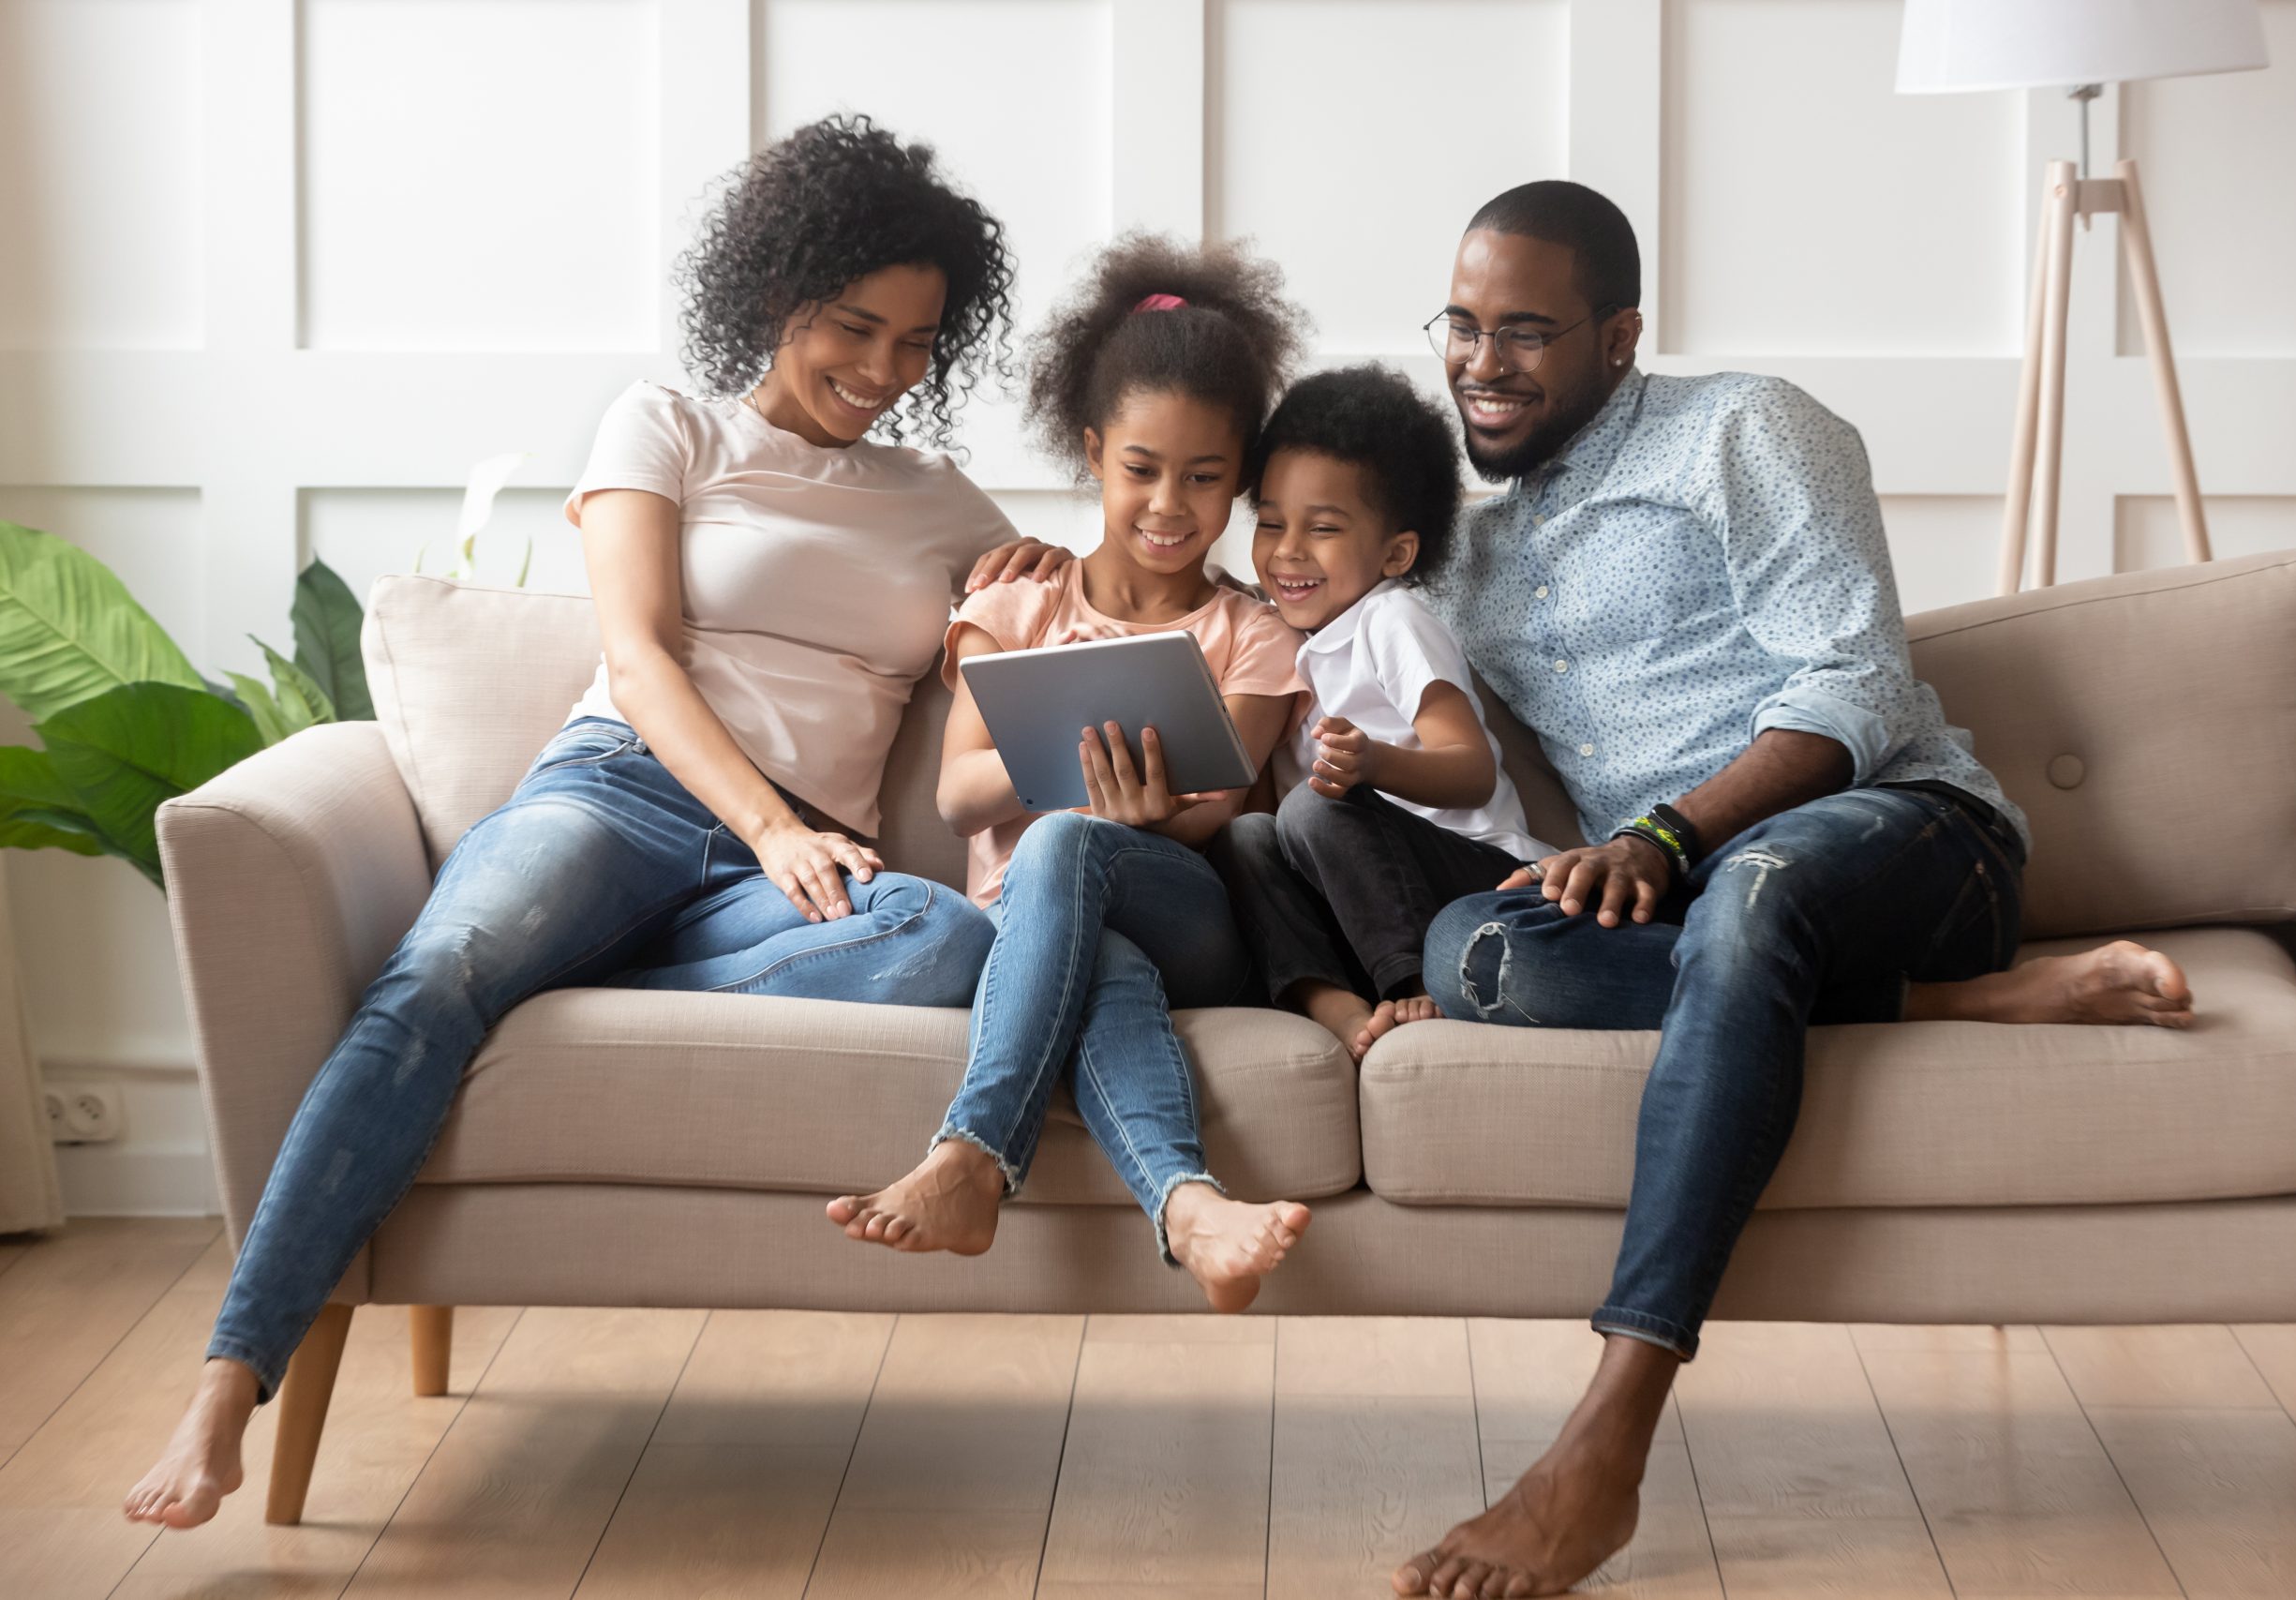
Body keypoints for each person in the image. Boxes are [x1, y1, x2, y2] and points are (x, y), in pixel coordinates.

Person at [126, 113, 1065, 1532]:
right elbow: (639, 653)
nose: (883, 372)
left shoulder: (936, 496)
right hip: (627, 786)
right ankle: (228, 1375)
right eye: (852, 327)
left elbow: (1064, 611)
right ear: (775, 296)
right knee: (432, 980)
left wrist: (1043, 575)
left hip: (804, 848)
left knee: (938, 934)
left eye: (919, 343)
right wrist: (766, 827)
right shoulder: (667, 424)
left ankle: (565, 968)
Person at [1389, 181, 2197, 1599]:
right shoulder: (1461, 551)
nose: (1481, 361)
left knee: (1753, 891)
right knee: (1476, 953)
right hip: (1701, 900)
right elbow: (1284, 591)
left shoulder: (1747, 430)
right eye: (1460, 324)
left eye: (1526, 330)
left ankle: (1605, 1438)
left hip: (1899, 831)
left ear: (1620, 335)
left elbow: (1857, 683)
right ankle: (1957, 1007)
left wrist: (1666, 835)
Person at [827, 236, 1317, 1311]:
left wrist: (1114, 813)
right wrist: (1070, 774)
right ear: (1093, 452)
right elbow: (958, 796)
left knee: (1065, 842)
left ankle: (970, 1156)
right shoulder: (1011, 609)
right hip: (1035, 934)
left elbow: (1208, 814)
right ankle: (1190, 1207)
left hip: (1192, 918)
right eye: (1140, 469)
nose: (1168, 506)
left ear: (1239, 478)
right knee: (1097, 956)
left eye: (1205, 477)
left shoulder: (1254, 633)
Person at [1211, 365, 1549, 1063]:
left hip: (1475, 879)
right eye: (1270, 522)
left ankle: (1410, 985)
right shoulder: (1282, 638)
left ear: (1395, 553)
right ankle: (1334, 1001)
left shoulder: (1390, 619)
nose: (1287, 550)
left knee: (1312, 809)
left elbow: (1473, 770)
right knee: (1247, 836)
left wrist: (1374, 763)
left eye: (1323, 527)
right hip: (1365, 902)